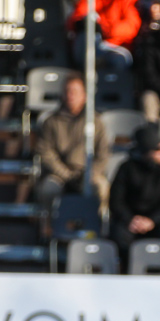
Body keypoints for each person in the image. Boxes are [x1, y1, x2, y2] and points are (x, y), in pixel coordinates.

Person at [34, 74, 110, 215]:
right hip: (60, 174)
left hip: (88, 173)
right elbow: (46, 153)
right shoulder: (51, 121)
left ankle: (97, 228)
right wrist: (66, 174)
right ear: (62, 95)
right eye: (68, 91)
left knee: (102, 187)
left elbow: (103, 154)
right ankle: (50, 229)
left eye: (75, 91)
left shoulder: (96, 121)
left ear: (84, 96)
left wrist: (89, 175)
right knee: (48, 188)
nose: (71, 95)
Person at [108, 124, 160, 262]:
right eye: (159, 149)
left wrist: (152, 220)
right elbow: (116, 201)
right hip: (130, 219)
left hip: (159, 219)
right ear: (147, 152)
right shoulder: (126, 168)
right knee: (119, 235)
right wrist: (130, 219)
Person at [67, 0, 142, 70]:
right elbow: (76, 18)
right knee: (83, 35)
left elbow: (131, 27)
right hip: (93, 44)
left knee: (119, 59)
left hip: (116, 48)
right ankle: (86, 67)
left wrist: (105, 30)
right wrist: (84, 23)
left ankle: (98, 65)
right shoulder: (92, 2)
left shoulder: (127, 3)